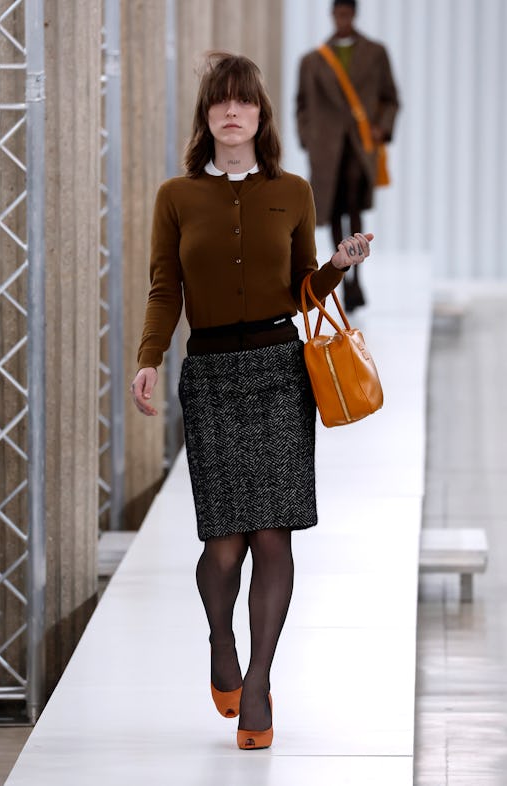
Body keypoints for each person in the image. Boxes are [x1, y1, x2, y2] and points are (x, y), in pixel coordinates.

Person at [130, 51, 372, 751]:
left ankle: (259, 684)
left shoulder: (292, 191)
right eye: (220, 102)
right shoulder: (176, 196)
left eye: (244, 102)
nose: (232, 112)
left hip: (278, 372)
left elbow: (303, 288)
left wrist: (337, 266)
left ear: (261, 117)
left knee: (274, 535)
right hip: (209, 376)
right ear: (207, 118)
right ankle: (220, 638)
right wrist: (148, 359)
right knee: (225, 544)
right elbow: (164, 287)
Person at [296, 0, 399, 311]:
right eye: (338, 14)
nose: (343, 19)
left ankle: (356, 279)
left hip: (359, 146)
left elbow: (390, 98)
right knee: (335, 208)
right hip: (326, 149)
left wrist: (382, 128)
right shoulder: (312, 61)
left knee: (353, 203)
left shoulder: (375, 53)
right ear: (333, 15)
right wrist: (307, 139)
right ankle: (344, 278)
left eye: (347, 13)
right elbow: (301, 106)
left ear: (353, 14)